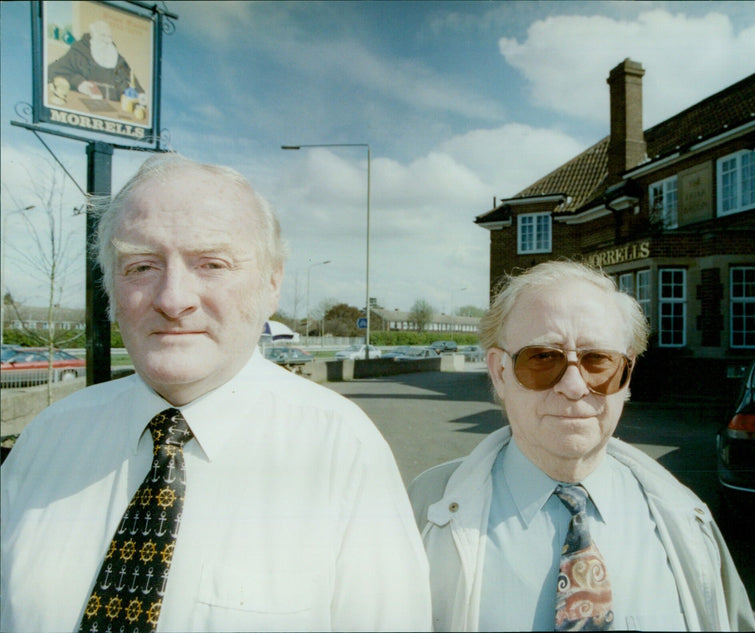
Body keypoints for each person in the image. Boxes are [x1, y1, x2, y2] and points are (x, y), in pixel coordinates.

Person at [0, 153, 432, 632]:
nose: (172, 299)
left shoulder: (343, 451)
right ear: (110, 289)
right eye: (141, 266)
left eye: (211, 264)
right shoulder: (48, 439)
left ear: (271, 284)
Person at [408, 261, 755, 632]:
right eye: (542, 358)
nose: (574, 385)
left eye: (599, 360)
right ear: (499, 372)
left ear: (627, 374)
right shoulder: (425, 513)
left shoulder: (686, 518)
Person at [48, 20, 145, 103]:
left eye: (109, 36)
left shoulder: (117, 59)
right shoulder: (78, 52)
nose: (107, 40)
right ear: (93, 35)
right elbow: (53, 71)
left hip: (114, 111)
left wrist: (139, 94)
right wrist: (79, 82)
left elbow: (131, 81)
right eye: (103, 35)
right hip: (83, 107)